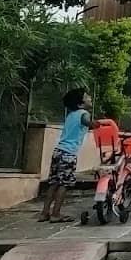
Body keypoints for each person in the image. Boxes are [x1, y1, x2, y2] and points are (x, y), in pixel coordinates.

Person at [40, 87, 89, 223]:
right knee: (64, 184)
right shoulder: (83, 113)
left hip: (58, 151)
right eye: (87, 97)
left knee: (53, 183)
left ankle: (45, 213)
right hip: (69, 154)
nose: (90, 98)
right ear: (80, 104)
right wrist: (97, 125)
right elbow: (87, 122)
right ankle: (56, 214)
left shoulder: (70, 115)